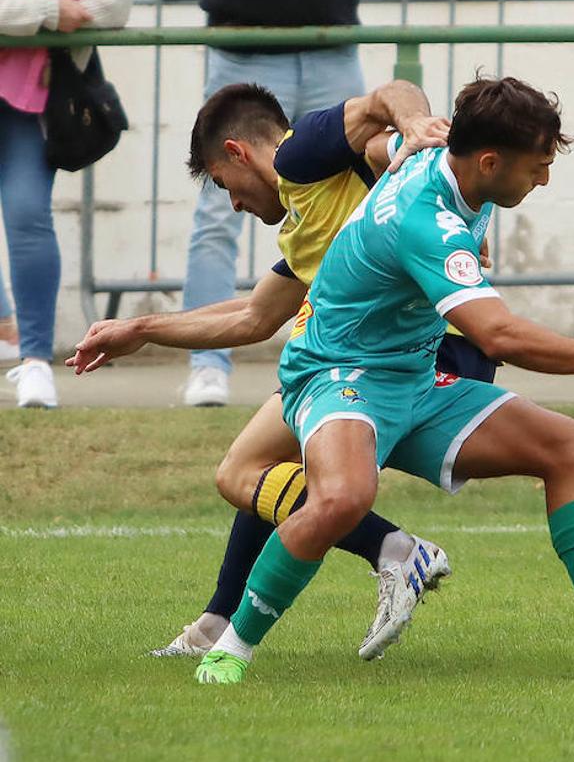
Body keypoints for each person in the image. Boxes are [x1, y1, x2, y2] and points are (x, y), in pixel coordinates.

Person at [191, 77, 574, 685]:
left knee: (572, 448)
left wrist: (416, 126)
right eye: (537, 168)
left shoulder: (453, 166)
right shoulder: (425, 220)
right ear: (489, 162)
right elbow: (499, 335)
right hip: (335, 375)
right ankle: (232, 646)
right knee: (343, 499)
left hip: (413, 377)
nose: (544, 180)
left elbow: (401, 114)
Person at [70, 79, 491, 662]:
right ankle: (221, 621)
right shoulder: (305, 221)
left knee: (254, 465)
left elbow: (387, 99)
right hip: (395, 353)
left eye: (225, 185)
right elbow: (253, 315)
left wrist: (416, 130)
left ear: (239, 152)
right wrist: (138, 331)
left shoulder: (302, 156)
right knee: (254, 467)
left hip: (419, 352)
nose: (235, 205)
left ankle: (390, 552)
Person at [181, 0, 366, 408]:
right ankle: (207, 366)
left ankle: (362, 351)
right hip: (244, 46)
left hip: (331, 44)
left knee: (366, 205)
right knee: (218, 216)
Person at [0, 0, 132, 406]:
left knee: (27, 215)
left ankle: (35, 361)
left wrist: (29, 15)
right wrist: (52, 11)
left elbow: (116, 4)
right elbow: (66, 12)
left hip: (39, 98)